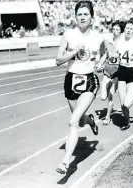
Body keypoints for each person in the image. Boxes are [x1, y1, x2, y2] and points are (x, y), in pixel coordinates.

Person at [55, 1, 103, 174]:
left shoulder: (98, 37)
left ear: (92, 17)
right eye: (80, 14)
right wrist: (74, 52)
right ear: (76, 17)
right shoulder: (69, 34)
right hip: (71, 81)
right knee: (81, 120)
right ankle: (90, 120)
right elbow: (58, 60)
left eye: (86, 14)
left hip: (89, 81)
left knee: (73, 121)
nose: (82, 17)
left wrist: (101, 64)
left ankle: (66, 162)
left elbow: (105, 55)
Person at [96, 20, 124, 126]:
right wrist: (99, 64)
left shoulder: (123, 43)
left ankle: (107, 117)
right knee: (103, 96)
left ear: (121, 32)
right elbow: (105, 55)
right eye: (114, 29)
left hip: (118, 72)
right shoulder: (107, 42)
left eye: (117, 29)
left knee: (111, 94)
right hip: (108, 71)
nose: (115, 31)